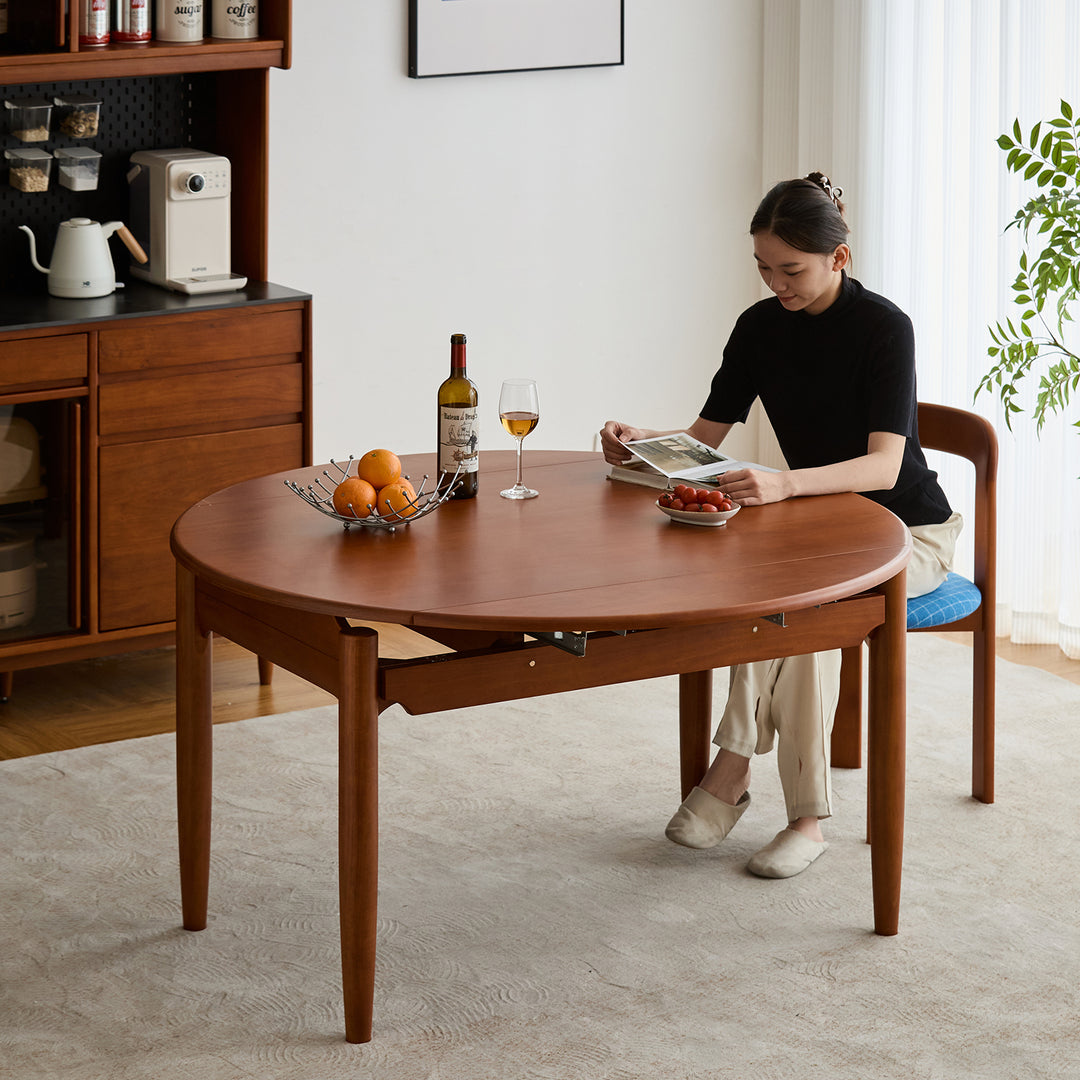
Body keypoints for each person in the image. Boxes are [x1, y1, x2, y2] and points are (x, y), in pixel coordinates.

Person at [600, 172, 963, 879]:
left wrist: (786, 483)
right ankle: (746, 782)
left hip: (908, 534)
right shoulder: (759, 328)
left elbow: (887, 467)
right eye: (764, 268)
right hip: (820, 527)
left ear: (839, 258)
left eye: (791, 270)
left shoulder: (885, 328)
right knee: (772, 597)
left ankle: (781, 804)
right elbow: (705, 438)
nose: (777, 285)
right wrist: (643, 439)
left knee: (806, 610)